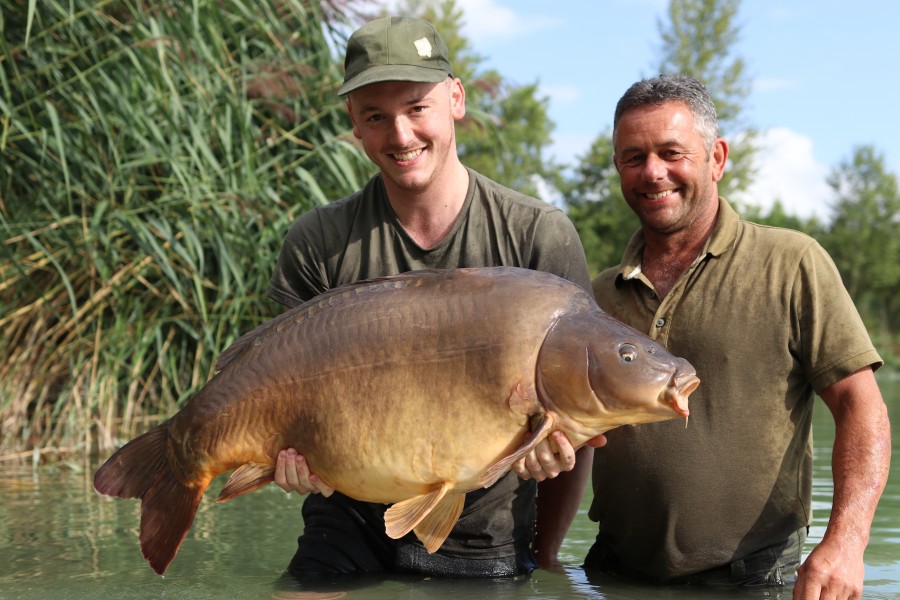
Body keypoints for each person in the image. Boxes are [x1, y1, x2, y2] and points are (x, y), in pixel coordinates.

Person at [266, 16, 597, 579]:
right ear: (355, 125)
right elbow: (278, 389)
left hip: (483, 533)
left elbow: (580, 426)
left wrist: (545, 556)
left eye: (417, 108)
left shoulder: (536, 235)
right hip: (344, 517)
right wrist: (284, 458)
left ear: (455, 100)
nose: (400, 136)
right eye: (376, 116)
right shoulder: (318, 243)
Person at [581, 73, 891, 596]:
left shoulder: (793, 263)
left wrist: (847, 542)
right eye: (633, 157)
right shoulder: (595, 298)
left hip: (755, 581)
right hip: (614, 575)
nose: (652, 172)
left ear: (717, 157)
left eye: (671, 152)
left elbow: (863, 409)